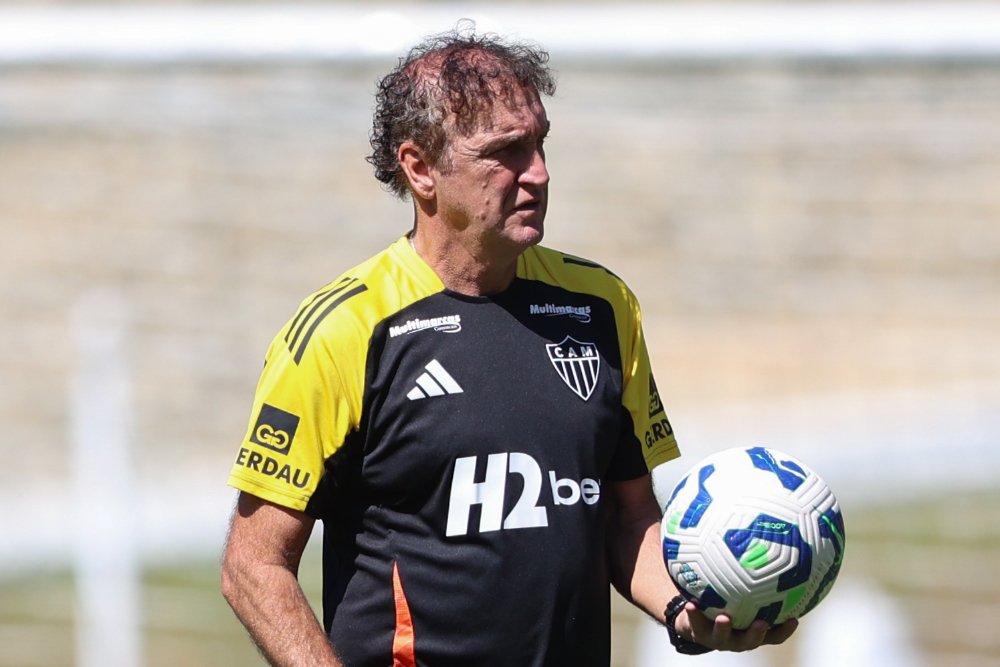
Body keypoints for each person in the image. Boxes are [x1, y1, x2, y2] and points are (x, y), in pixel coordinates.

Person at [221, 28, 798, 666]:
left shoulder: (602, 307)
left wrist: (685, 613)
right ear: (420, 168)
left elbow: (628, 515)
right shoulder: (346, 331)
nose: (538, 174)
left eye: (540, 143)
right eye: (505, 152)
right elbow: (254, 567)